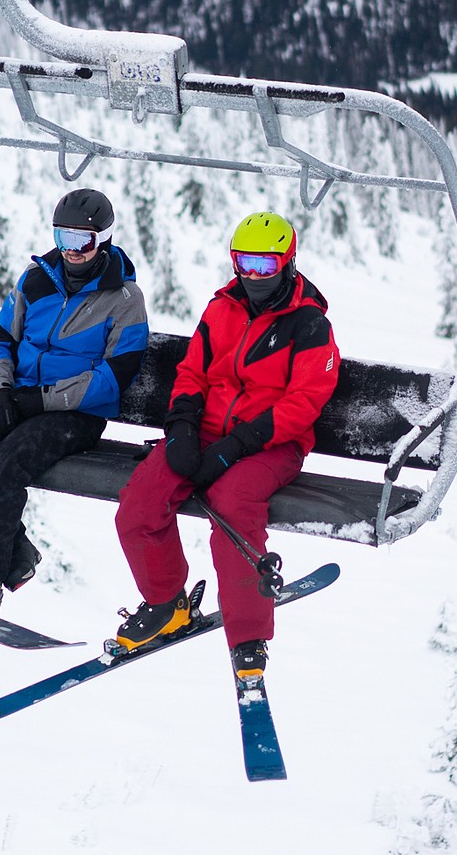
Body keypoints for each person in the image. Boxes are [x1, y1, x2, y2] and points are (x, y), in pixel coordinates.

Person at [113, 210, 340, 676]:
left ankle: (249, 638)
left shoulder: (310, 325)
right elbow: (192, 372)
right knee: (139, 506)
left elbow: (304, 402)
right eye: (245, 263)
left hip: (274, 444)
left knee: (233, 505)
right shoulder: (222, 309)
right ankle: (166, 604)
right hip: (206, 431)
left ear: (288, 263)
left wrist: (236, 445)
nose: (253, 276)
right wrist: (181, 428)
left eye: (266, 266)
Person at [0, 188, 148, 632]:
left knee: (6, 463)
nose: (72, 251)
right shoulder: (36, 280)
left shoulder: (124, 299)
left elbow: (114, 377)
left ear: (103, 240)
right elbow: (0, 341)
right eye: (64, 238)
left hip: (76, 414)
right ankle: (15, 554)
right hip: (17, 399)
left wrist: (42, 399)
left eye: (83, 241)